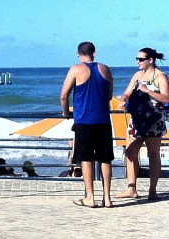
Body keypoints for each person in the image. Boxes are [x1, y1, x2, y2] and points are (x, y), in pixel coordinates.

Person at [60, 41, 114, 208]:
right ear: (94, 53)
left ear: (78, 54)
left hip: (84, 120)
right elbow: (109, 95)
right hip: (103, 120)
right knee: (105, 159)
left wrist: (66, 112)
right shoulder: (105, 69)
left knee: (86, 158)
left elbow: (64, 95)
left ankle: (90, 197)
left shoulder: (76, 69)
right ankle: (107, 197)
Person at [116, 47, 166, 201]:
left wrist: (147, 91)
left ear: (150, 60)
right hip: (137, 119)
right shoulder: (138, 75)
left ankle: (152, 189)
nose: (138, 61)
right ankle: (131, 188)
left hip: (153, 120)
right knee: (130, 152)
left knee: (153, 154)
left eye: (141, 59)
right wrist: (123, 99)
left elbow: (166, 98)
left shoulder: (160, 76)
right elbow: (127, 92)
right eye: (136, 59)